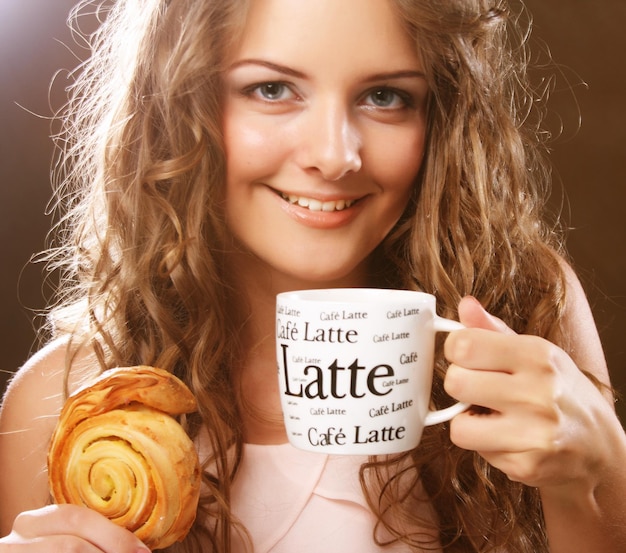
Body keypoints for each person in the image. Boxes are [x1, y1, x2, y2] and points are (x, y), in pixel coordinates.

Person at [1, 0, 624, 551]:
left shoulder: (529, 314)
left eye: (385, 96)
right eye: (272, 89)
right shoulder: (63, 404)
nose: (333, 155)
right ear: (178, 103)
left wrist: (599, 482)